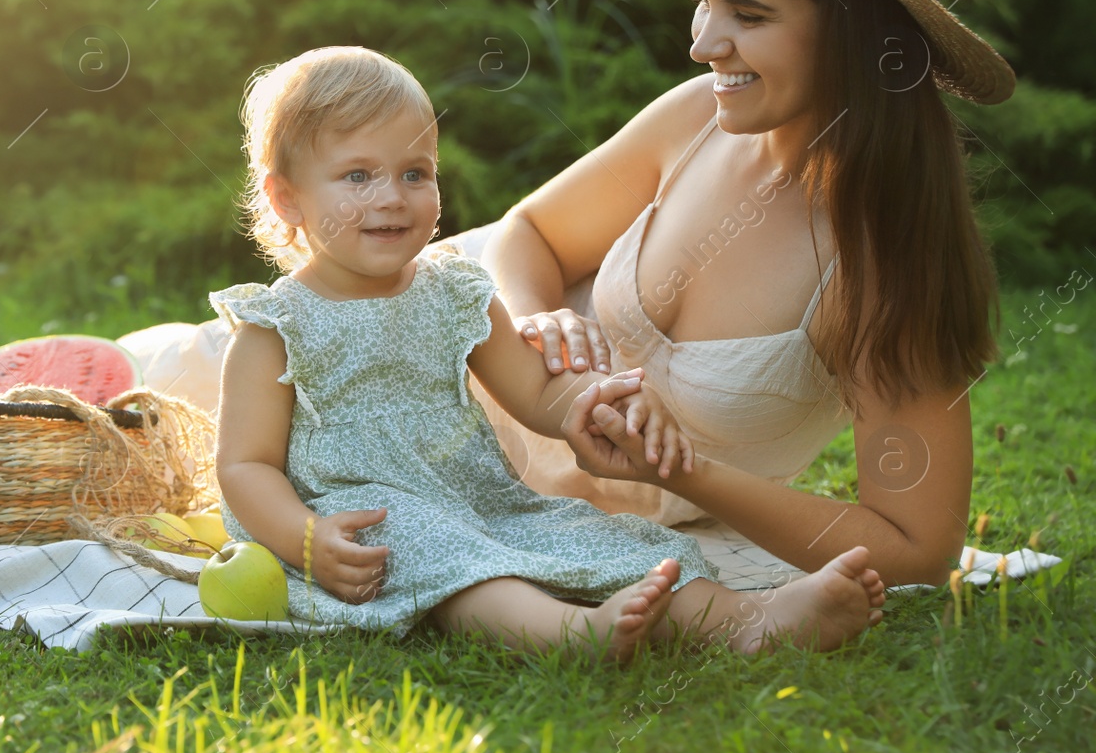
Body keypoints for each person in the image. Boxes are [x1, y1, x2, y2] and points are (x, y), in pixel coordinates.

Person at [121, 0, 1012, 590]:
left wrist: (684, 471)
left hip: (492, 491)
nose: (704, 43)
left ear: (859, 35)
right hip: (398, 340)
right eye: (702, 2)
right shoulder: (698, 118)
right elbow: (524, 234)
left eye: (748, 15)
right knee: (135, 394)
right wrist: (537, 312)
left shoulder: (884, 261)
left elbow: (916, 548)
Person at [208, 45, 886, 658]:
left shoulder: (452, 292)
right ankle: (567, 634)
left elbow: (535, 392)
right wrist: (304, 536)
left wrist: (588, 401)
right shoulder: (278, 324)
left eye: (415, 172)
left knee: (594, 535)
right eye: (357, 176)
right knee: (447, 557)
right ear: (286, 198)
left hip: (479, 499)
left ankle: (750, 617)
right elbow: (246, 465)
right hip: (360, 518)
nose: (392, 197)